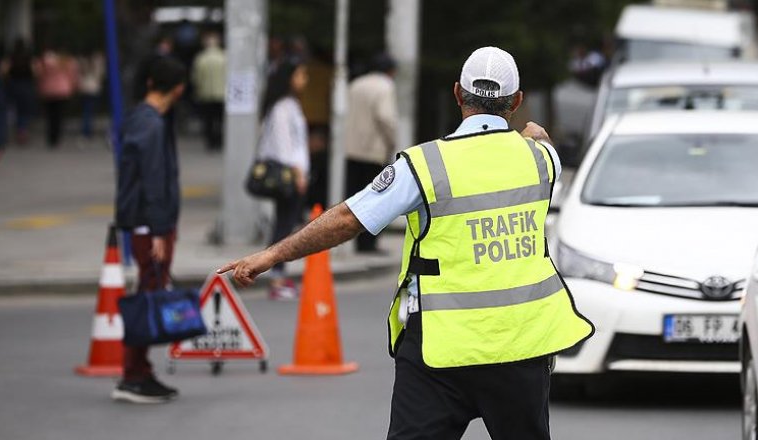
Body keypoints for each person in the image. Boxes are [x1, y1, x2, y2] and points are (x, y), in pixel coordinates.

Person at [219, 46, 594, 440]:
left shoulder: (424, 165)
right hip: (521, 346)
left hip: (439, 348)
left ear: (456, 93)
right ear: (517, 101)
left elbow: (349, 218)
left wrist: (272, 254)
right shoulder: (541, 160)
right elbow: (540, 140)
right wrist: (531, 134)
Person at [113, 57, 187, 404]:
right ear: (178, 88)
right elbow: (153, 181)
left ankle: (140, 371)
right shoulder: (152, 125)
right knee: (148, 296)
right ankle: (133, 375)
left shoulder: (140, 118)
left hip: (145, 222)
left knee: (149, 291)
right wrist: (160, 230)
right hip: (149, 225)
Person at [256, 59, 310, 300]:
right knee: (284, 225)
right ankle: (276, 276)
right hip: (288, 175)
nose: (304, 80)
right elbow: (284, 146)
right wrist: (298, 174)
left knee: (286, 223)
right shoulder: (282, 107)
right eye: (300, 74)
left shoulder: (290, 104)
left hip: (294, 173)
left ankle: (278, 273)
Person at [343, 53, 398, 253]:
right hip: (374, 151)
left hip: (352, 149)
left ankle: (357, 241)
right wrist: (392, 141)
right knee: (376, 199)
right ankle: (369, 243)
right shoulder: (385, 86)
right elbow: (385, 117)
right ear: (391, 71)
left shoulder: (356, 84)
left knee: (355, 197)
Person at [34, 45, 78, 148]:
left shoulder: (44, 60)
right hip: (62, 90)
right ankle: (57, 138)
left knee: (50, 116)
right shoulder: (67, 61)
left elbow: (38, 73)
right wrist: (73, 87)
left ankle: (51, 137)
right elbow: (72, 75)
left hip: (47, 90)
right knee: (59, 116)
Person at [191, 33, 226, 151]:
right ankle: (219, 140)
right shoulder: (224, 57)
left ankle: (210, 141)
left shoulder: (201, 58)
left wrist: (198, 90)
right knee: (220, 119)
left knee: (208, 119)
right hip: (222, 93)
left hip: (206, 94)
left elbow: (196, 77)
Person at [3, 38, 36, 145]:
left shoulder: (11, 57)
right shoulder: (28, 57)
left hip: (13, 85)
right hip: (26, 85)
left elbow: (5, 71)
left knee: (13, 108)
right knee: (24, 111)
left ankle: (15, 130)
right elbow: (35, 71)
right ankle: (22, 131)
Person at [77, 49, 105, 139]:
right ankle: (88, 130)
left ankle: (86, 130)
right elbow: (101, 74)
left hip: (84, 87)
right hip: (93, 88)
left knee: (86, 110)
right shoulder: (97, 61)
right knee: (90, 110)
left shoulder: (82, 61)